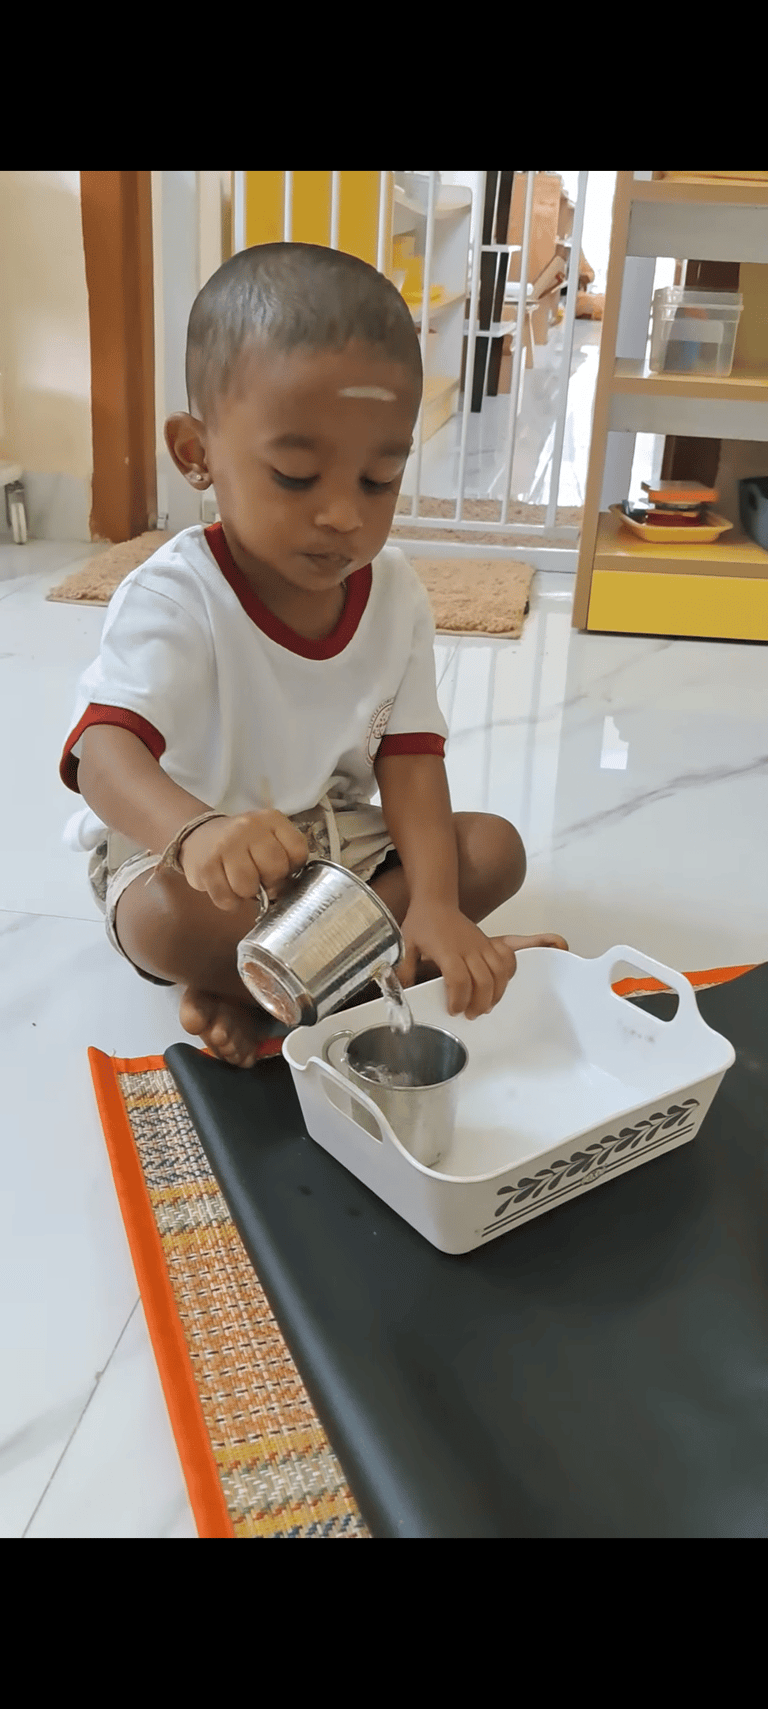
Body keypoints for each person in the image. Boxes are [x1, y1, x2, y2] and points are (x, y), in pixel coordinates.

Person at [60, 243, 566, 1068]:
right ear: (196, 453)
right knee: (165, 922)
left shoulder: (395, 593)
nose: (343, 515)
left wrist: (437, 902)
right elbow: (101, 755)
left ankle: (264, 984)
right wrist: (198, 832)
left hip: (329, 845)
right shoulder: (176, 594)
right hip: (188, 854)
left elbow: (410, 760)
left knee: (491, 850)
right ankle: (346, 967)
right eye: (296, 476)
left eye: (379, 479)